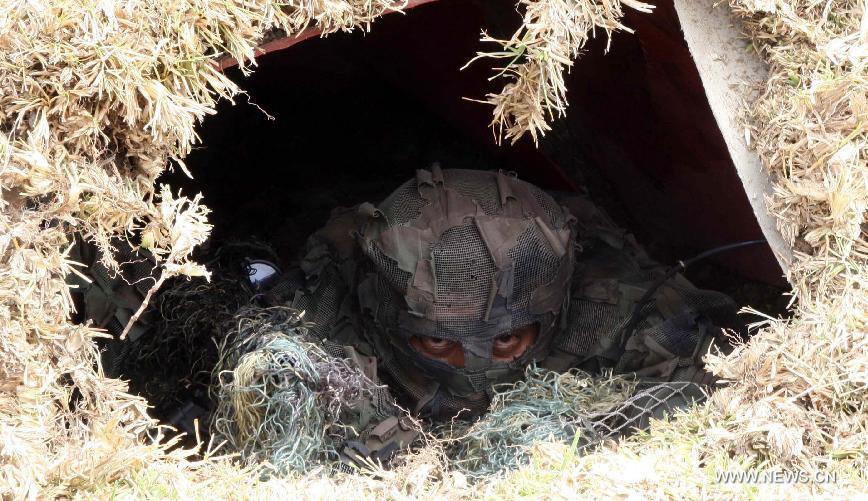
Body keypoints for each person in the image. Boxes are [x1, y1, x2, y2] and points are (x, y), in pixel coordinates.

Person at [69, 165, 739, 463]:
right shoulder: (317, 317)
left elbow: (726, 381)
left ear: (554, 306)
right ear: (385, 313)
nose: (475, 364)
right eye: (438, 344)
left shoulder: (615, 305)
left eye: (510, 338)